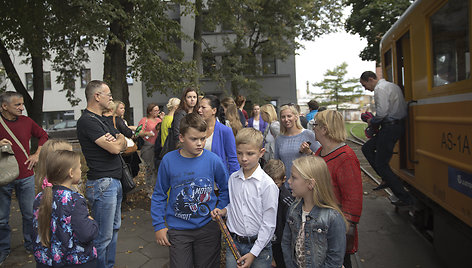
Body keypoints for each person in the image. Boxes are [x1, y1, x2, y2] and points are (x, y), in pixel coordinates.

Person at [152, 113, 229, 268]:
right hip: (179, 229)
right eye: (194, 139)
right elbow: (159, 194)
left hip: (208, 227)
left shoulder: (214, 160)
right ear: (181, 138)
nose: (199, 143)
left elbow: (226, 189)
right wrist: (159, 225)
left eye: (203, 138)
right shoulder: (168, 160)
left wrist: (221, 208)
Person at [211, 128, 278, 268]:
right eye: (240, 153)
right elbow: (235, 206)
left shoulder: (267, 185)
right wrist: (223, 211)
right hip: (234, 243)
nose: (244, 158)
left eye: (250, 153)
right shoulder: (233, 179)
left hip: (259, 246)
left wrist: (254, 253)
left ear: (261, 152)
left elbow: (269, 224)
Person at [76, 80, 127, 268]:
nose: (112, 98)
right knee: (102, 238)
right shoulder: (87, 121)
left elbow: (123, 140)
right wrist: (117, 143)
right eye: (109, 94)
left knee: (113, 231)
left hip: (113, 182)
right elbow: (115, 149)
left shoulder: (102, 119)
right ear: (97, 96)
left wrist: (118, 140)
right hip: (102, 184)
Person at [0, 91, 48, 264]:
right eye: (17, 105)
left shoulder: (26, 121)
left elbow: (43, 135)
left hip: (26, 175)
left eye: (22, 104)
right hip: (3, 177)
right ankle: (3, 249)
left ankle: (30, 244)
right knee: (2, 219)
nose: (22, 107)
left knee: (29, 214)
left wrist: (37, 154)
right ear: (4, 106)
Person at [313, 110, 363, 268]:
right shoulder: (320, 152)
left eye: (315, 125)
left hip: (334, 228)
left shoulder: (345, 157)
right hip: (319, 224)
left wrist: (346, 229)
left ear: (324, 129)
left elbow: (353, 198)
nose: (313, 128)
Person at [32, 150, 98, 267]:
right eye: (79, 167)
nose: (81, 170)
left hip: (46, 260)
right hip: (75, 262)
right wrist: (92, 222)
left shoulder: (39, 197)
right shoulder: (74, 199)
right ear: (71, 173)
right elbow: (86, 234)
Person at [282, 156, 347, 268]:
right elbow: (286, 243)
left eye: (294, 177)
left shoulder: (332, 218)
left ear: (310, 184)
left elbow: (335, 258)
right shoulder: (293, 209)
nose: (289, 181)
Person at [359, 71, 413, 206]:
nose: (366, 88)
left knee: (381, 163)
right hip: (395, 126)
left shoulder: (380, 89)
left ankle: (404, 197)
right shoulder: (392, 86)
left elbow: (382, 113)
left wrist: (372, 121)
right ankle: (387, 178)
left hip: (390, 127)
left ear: (370, 79)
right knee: (367, 148)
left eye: (365, 85)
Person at [274, 104, 320, 183]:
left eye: (289, 116)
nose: (286, 119)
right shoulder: (279, 139)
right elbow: (277, 163)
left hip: (305, 184)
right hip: (286, 184)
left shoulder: (308, 134)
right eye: (283, 117)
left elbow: (320, 159)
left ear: (296, 117)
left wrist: (308, 152)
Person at [263, 159, 294, 268]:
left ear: (283, 180)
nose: (271, 186)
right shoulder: (262, 193)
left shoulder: (286, 200)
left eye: (275, 183)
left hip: (280, 242)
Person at [198, 95, 239, 174]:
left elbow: (233, 159)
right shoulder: (196, 130)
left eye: (203, 107)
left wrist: (233, 181)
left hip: (218, 180)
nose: (199, 110)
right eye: (199, 107)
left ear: (214, 110)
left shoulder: (225, 131)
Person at [111, 101, 140, 180]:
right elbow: (127, 132)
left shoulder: (112, 120)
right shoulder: (118, 120)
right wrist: (132, 133)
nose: (123, 110)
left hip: (117, 149)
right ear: (115, 109)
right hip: (124, 149)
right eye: (121, 108)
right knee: (129, 169)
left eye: (123, 108)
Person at [137, 103, 162, 192]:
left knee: (157, 167)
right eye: (155, 110)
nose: (157, 112)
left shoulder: (159, 120)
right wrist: (147, 133)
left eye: (158, 110)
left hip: (158, 147)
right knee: (149, 168)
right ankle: (149, 188)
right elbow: (137, 132)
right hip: (148, 147)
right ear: (150, 111)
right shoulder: (144, 120)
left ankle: (156, 187)